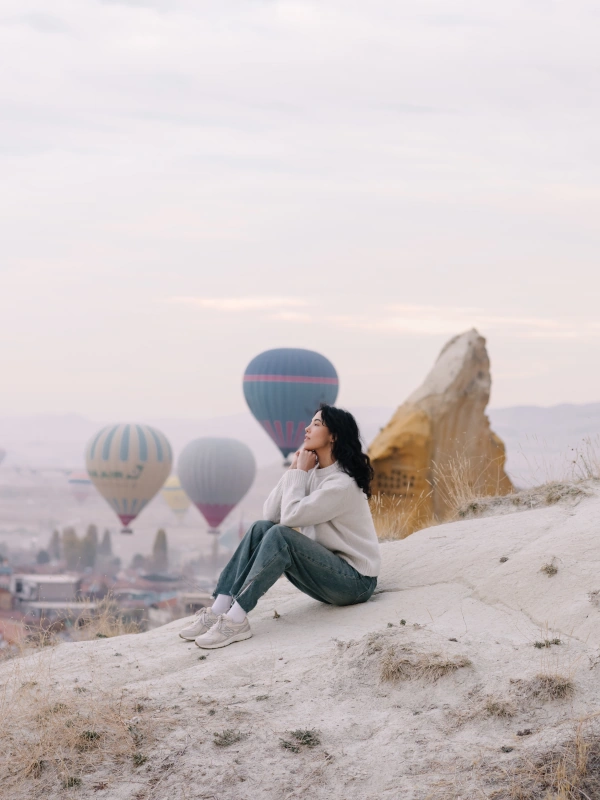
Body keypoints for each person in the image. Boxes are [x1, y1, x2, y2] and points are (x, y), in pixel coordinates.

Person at [178, 404, 381, 650]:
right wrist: (294, 471)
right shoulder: (311, 473)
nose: (307, 428)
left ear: (334, 436)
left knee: (280, 535)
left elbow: (289, 518)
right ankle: (220, 608)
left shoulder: (341, 484)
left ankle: (236, 620)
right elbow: (271, 514)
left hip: (355, 583)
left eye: (317, 424)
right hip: (326, 573)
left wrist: (299, 474)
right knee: (261, 527)